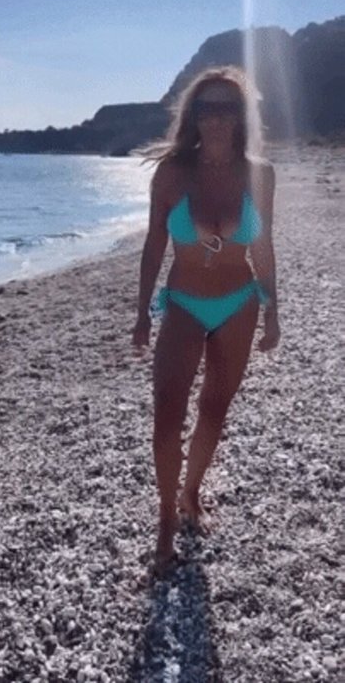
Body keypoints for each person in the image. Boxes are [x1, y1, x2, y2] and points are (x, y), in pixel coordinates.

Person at [132, 65, 280, 575]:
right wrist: (141, 313)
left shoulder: (261, 173)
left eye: (226, 108)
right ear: (192, 115)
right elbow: (154, 244)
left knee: (215, 407)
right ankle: (165, 519)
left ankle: (191, 491)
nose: (216, 118)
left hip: (240, 302)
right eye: (206, 108)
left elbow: (263, 245)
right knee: (166, 414)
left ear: (241, 116)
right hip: (183, 302)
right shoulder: (171, 173)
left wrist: (273, 310)